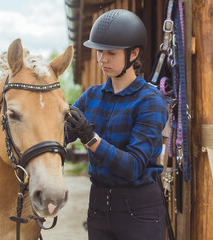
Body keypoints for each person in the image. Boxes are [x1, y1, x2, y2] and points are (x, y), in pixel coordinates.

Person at [66, 9, 168, 240]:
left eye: (111, 53)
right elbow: (60, 135)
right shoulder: (91, 97)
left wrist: (91, 140)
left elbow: (133, 167)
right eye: (99, 52)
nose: (102, 59)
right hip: (98, 208)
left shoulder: (150, 100)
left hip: (140, 211)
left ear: (133, 54)